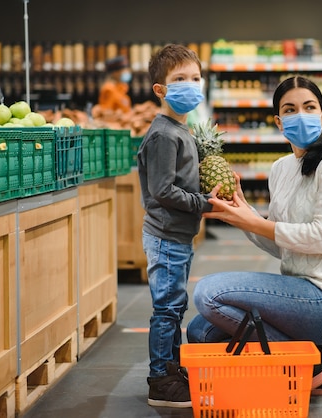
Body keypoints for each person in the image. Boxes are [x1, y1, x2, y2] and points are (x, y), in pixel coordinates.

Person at [186, 75, 322, 396]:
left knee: (208, 295)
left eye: (309, 107)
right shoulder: (281, 169)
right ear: (278, 121)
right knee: (200, 332)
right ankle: (312, 347)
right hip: (298, 290)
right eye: (290, 109)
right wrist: (241, 215)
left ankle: (312, 361)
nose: (300, 114)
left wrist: (254, 222)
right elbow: (280, 245)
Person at [136, 43, 219, 408]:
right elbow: (162, 190)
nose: (191, 85)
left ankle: (173, 366)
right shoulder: (164, 134)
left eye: (195, 78)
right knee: (167, 308)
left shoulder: (182, 129)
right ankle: (159, 379)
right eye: (180, 79)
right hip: (166, 236)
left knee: (174, 305)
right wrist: (203, 203)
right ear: (161, 89)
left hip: (178, 236)